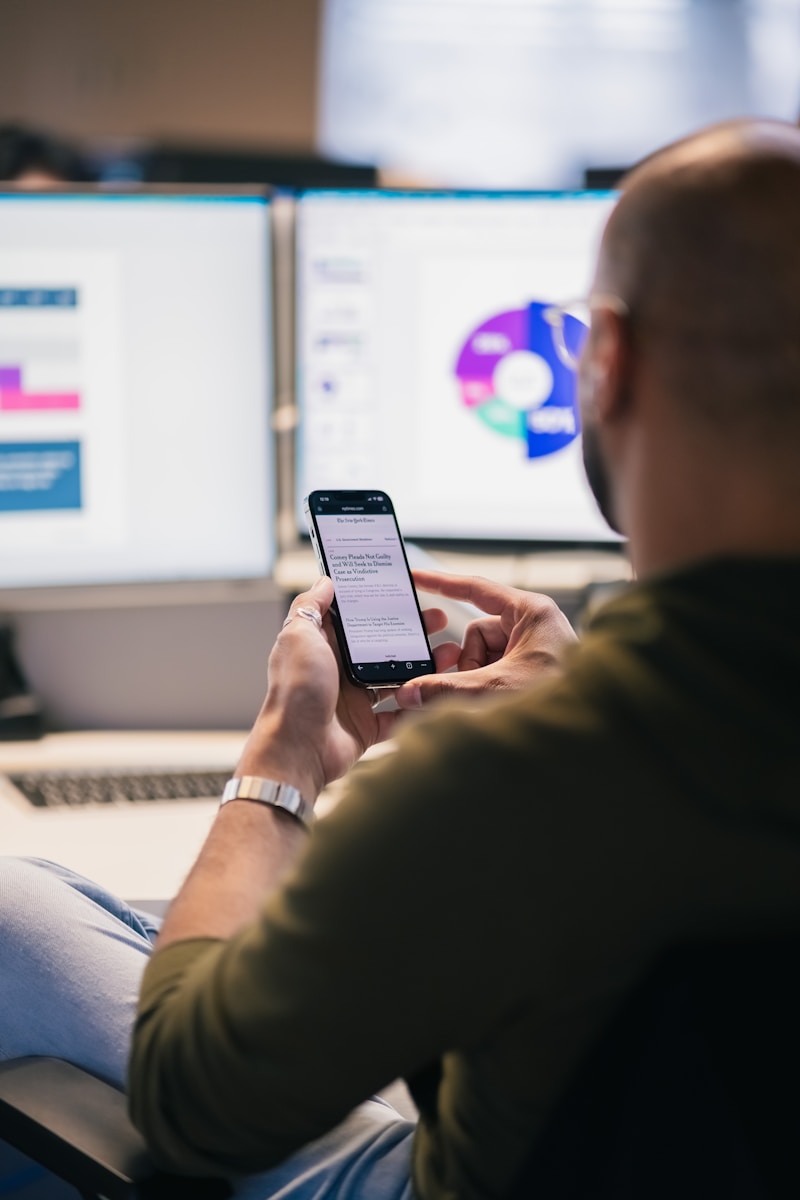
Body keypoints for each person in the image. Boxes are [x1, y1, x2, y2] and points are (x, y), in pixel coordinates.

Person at [3, 114, 800, 1200]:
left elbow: (193, 1105)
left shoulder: (506, 784)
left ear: (605, 361)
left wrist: (282, 759)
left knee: (13, 914)